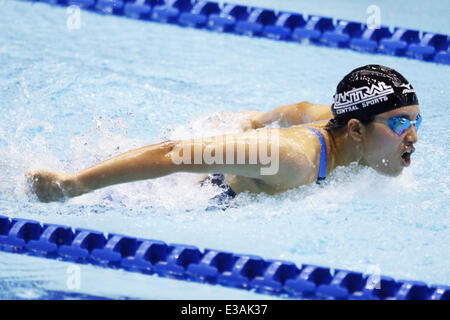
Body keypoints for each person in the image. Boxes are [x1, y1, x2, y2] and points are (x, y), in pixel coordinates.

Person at [25, 65, 421, 203]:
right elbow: (174, 154)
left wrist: (255, 120)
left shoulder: (339, 123)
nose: (414, 138)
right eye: (401, 124)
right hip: (173, 193)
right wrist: (72, 184)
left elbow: (302, 109)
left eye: (417, 122)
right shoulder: (290, 158)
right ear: (355, 129)